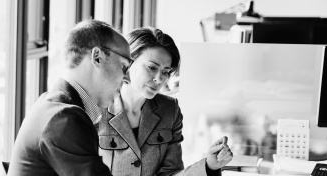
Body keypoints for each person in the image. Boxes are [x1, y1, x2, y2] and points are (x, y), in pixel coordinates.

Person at [96, 27, 233, 176]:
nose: (159, 79)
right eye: (151, 67)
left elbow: (170, 173)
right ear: (127, 63)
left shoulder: (169, 110)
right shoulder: (96, 107)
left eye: (166, 72)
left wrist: (209, 166)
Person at [7, 20, 132, 176]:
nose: (128, 79)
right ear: (97, 57)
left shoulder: (52, 104)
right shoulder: (65, 118)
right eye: (124, 66)